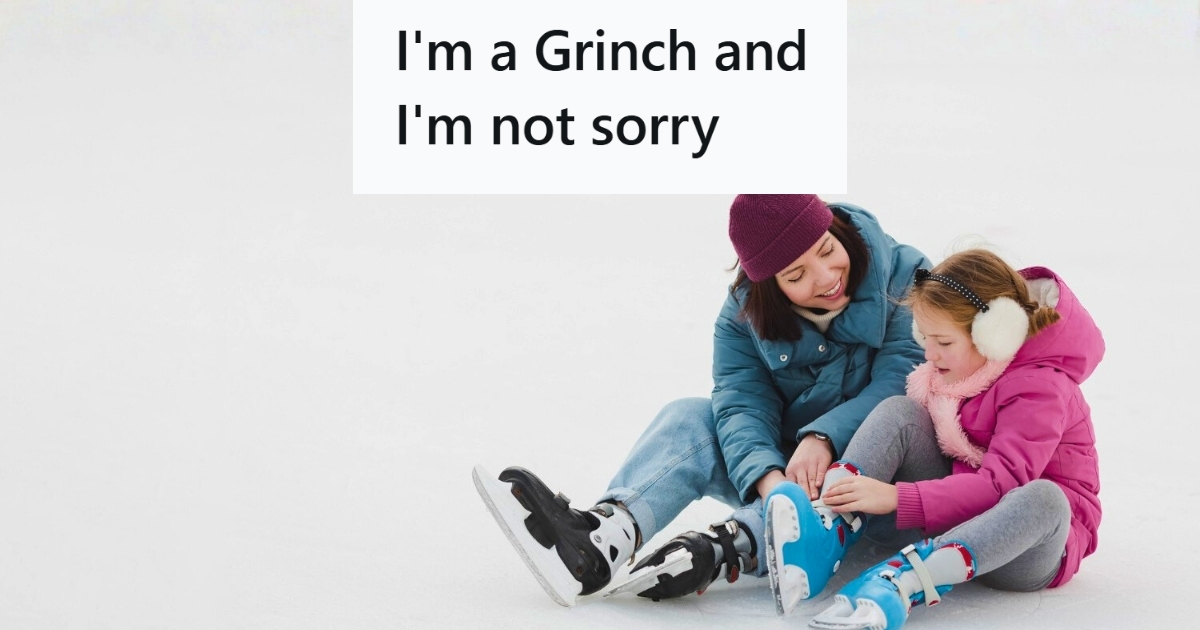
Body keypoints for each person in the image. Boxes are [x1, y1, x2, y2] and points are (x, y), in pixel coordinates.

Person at [472, 194, 929, 607]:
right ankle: (606, 539)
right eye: (796, 275)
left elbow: (902, 381)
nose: (826, 278)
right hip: (794, 476)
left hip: (889, 485)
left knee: (892, 414)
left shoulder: (907, 277)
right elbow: (741, 402)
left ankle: (733, 544)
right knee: (691, 416)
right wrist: (769, 482)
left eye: (828, 250)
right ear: (769, 284)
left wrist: (822, 438)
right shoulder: (743, 316)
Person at [763, 249, 1104, 629]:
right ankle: (828, 527)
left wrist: (896, 497)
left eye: (942, 341)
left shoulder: (1040, 387)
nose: (928, 354)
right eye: (923, 337)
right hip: (964, 508)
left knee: (1045, 499)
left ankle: (904, 581)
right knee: (900, 412)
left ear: (993, 336)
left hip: (1027, 545)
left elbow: (1001, 485)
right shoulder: (963, 370)